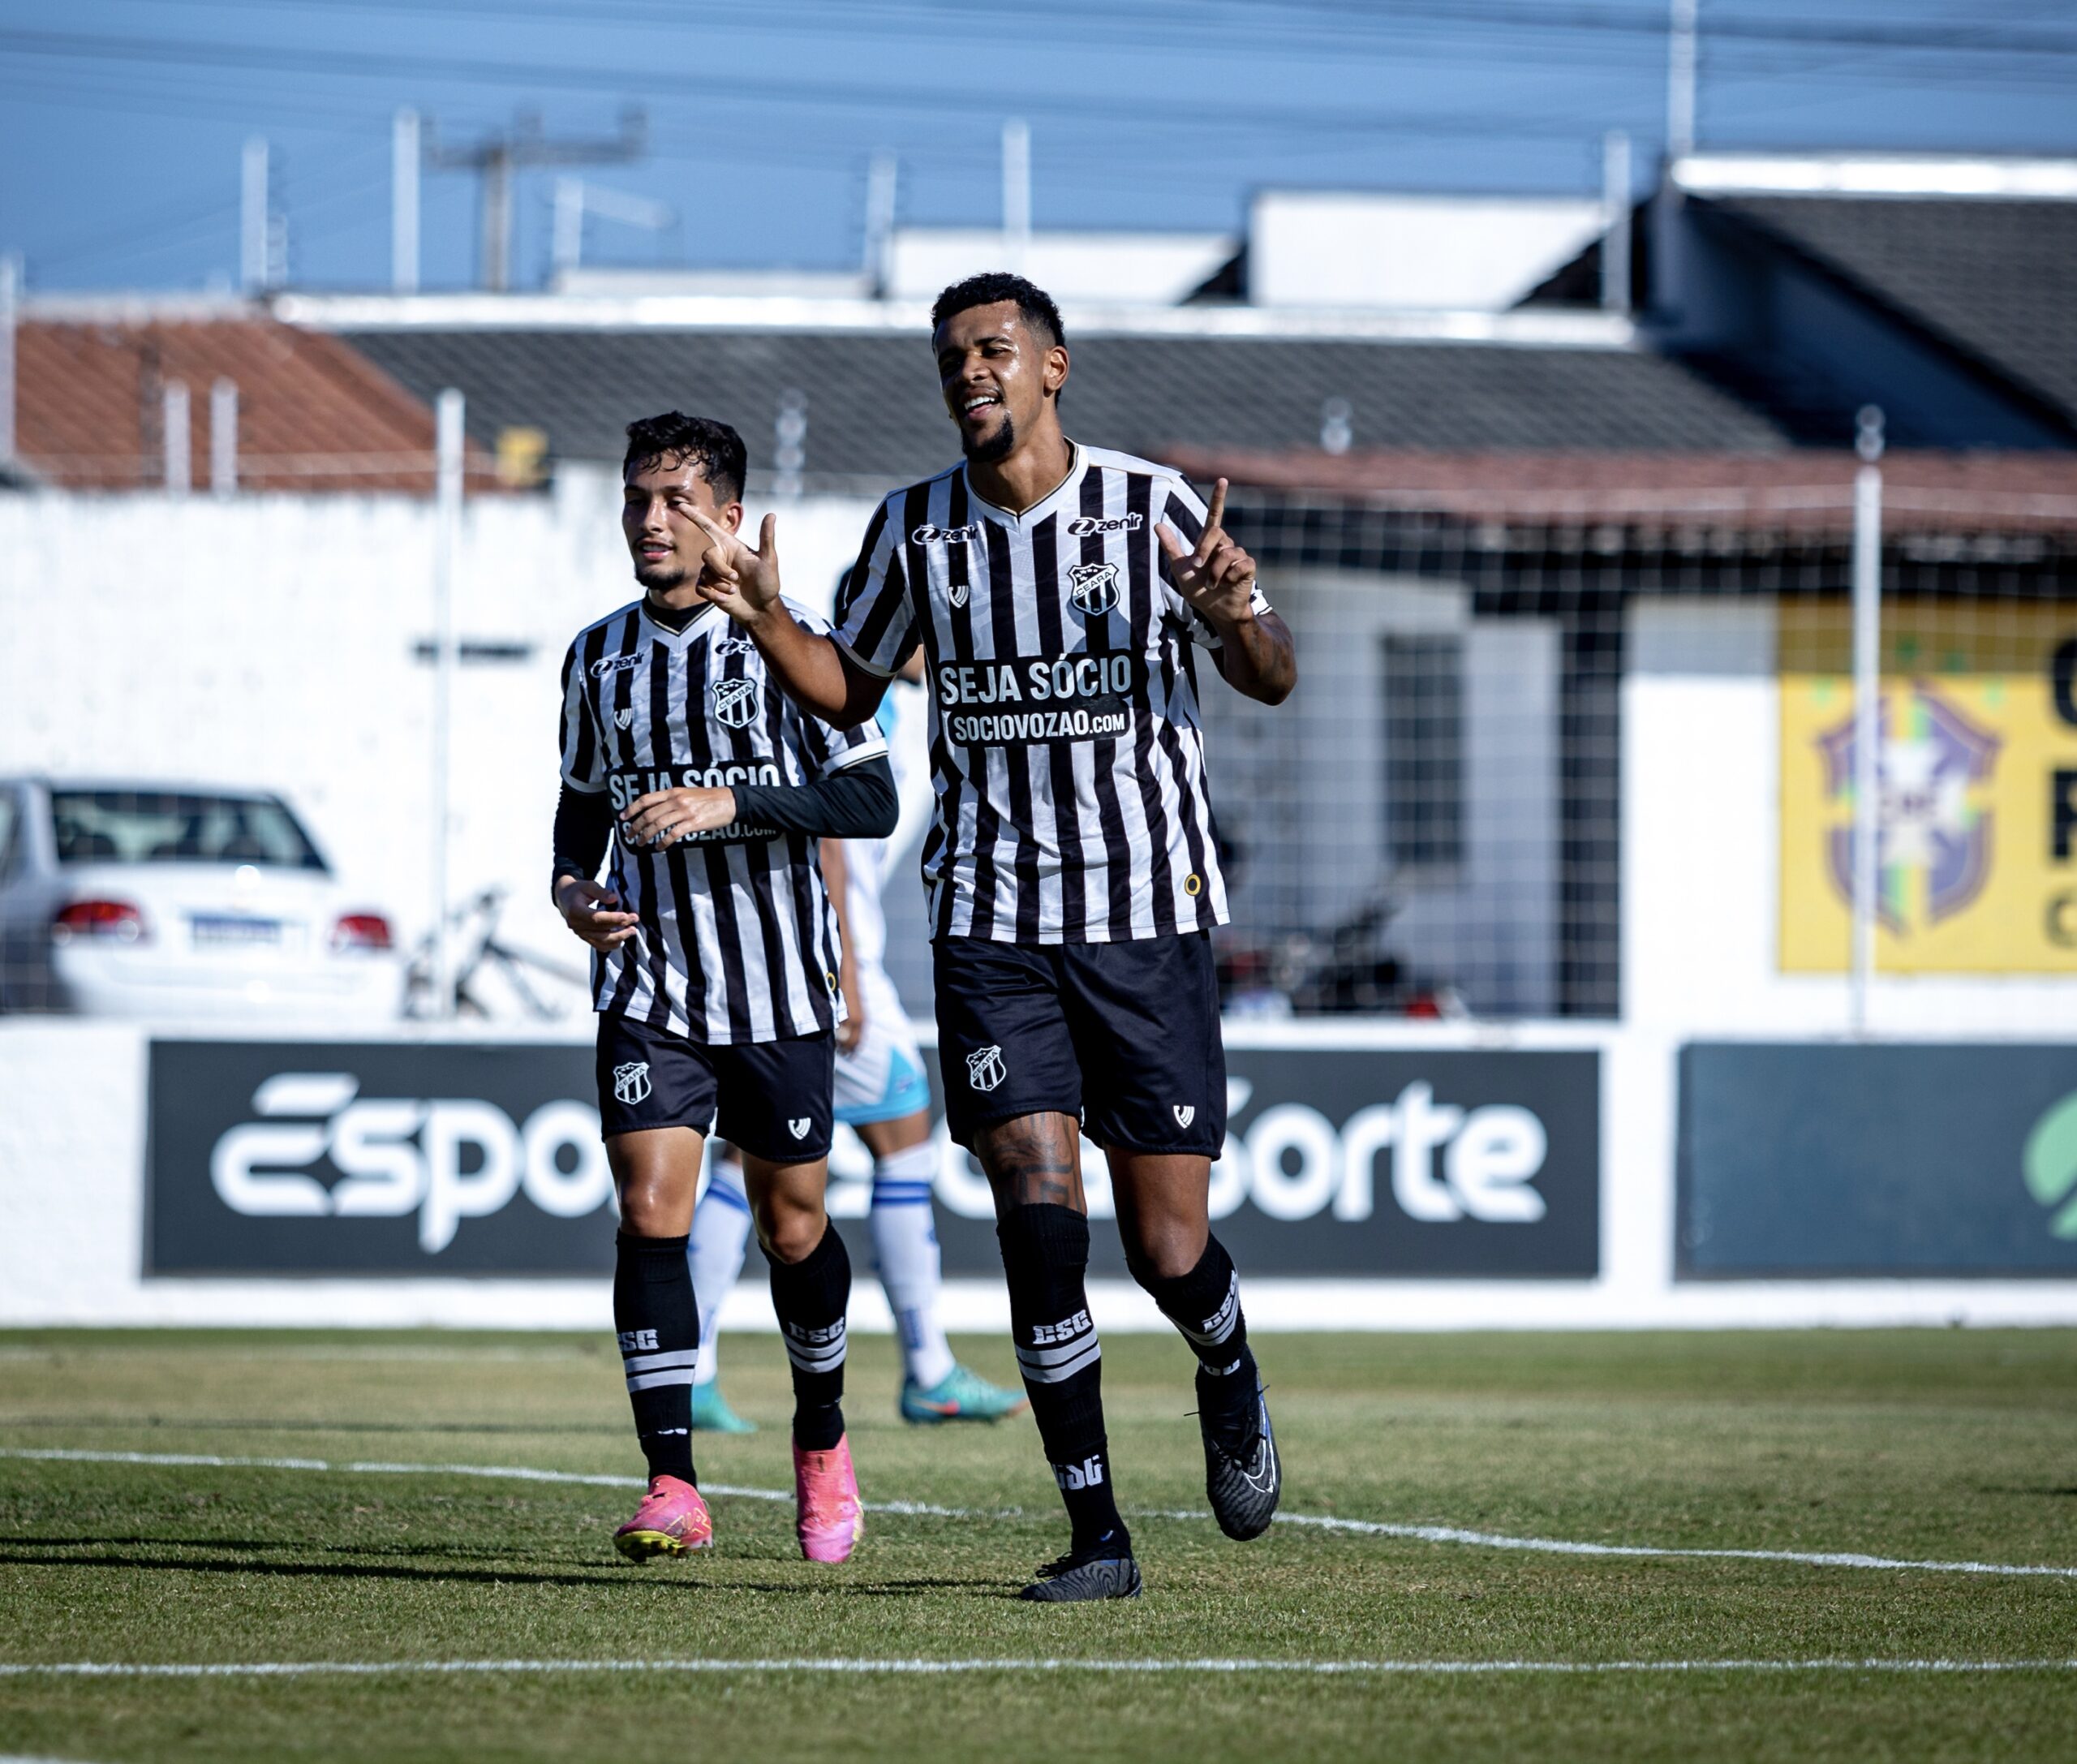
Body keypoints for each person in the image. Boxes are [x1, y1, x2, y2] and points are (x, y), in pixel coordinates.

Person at [680, 273, 1299, 1602]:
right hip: (993, 922)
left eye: (995, 349)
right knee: (1034, 1220)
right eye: (952, 354)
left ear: (1054, 366)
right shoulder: (915, 530)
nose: (971, 370)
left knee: (1170, 1249)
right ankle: (1099, 1534)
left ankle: (1228, 1365)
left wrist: (1233, 608)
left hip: (1147, 919)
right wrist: (766, 617)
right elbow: (852, 687)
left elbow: (1272, 674)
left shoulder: (1152, 509)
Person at [551, 411, 897, 1565]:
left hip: (780, 990)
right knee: (649, 1210)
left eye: (677, 500)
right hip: (651, 983)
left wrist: (733, 802)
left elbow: (870, 804)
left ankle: (822, 1433)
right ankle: (671, 1480)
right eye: (638, 498)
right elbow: (582, 803)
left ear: (729, 518)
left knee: (794, 1229)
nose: (652, 521)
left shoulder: (795, 647)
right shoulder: (597, 655)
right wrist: (572, 887)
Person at [685, 673, 1026, 1430]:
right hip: (836, 964)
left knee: (753, 1156)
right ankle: (927, 1368)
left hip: (803, 960)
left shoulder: (882, 703)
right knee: (894, 1139)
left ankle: (694, 1367)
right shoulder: (855, 704)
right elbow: (834, 834)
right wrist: (842, 970)